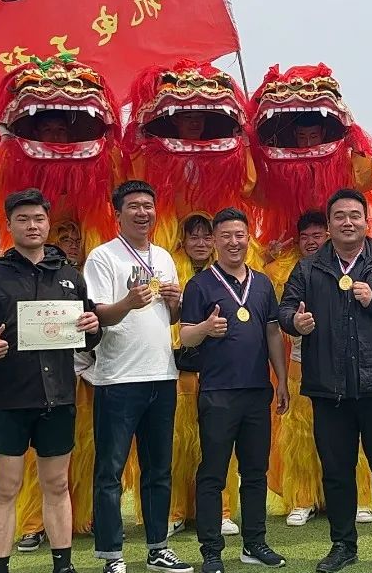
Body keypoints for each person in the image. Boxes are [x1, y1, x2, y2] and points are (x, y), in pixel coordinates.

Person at [0, 189, 101, 573]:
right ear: (9, 225)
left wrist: (93, 327)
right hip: (10, 400)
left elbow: (87, 335)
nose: (32, 225)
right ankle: (0, 567)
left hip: (59, 399)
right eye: (23, 219)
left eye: (38, 218)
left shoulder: (70, 278)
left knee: (57, 485)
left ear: (47, 223)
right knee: (6, 488)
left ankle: (63, 564)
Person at [278, 189, 372, 573]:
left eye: (354, 215)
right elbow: (286, 308)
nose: (347, 222)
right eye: (339, 216)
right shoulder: (309, 268)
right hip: (329, 390)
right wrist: (295, 322)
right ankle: (343, 545)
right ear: (329, 225)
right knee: (337, 473)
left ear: (366, 221)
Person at [84, 180, 192, 573]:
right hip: (118, 378)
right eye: (133, 206)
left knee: (158, 469)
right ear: (118, 214)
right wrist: (128, 303)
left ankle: (158, 547)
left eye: (148, 205)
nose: (142, 212)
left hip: (162, 375)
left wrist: (176, 303)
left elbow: (171, 318)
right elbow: (98, 316)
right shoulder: (102, 257)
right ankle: (111, 555)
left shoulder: (163, 257)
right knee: (110, 471)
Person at [180, 207, 291, 572]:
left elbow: (272, 332)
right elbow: (185, 335)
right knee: (213, 473)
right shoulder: (200, 285)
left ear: (248, 238)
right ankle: (211, 550)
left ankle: (254, 543)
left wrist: (281, 380)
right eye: (225, 235)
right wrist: (205, 329)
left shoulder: (262, 283)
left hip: (257, 391)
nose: (233, 242)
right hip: (217, 392)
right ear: (215, 240)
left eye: (239, 235)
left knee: (255, 472)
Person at [267, 210, 372, 528]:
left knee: (352, 437)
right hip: (301, 366)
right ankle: (303, 500)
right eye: (305, 237)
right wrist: (267, 256)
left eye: (317, 235)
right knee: (300, 438)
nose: (311, 242)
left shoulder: (351, 266)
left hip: (346, 367)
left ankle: (360, 498)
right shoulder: (288, 271)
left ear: (328, 235)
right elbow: (261, 291)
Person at [166, 213, 241, 539]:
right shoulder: (169, 271)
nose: (200, 243)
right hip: (179, 371)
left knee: (220, 446)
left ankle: (221, 512)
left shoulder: (226, 273)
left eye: (206, 237)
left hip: (219, 375)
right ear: (182, 241)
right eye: (193, 237)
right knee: (178, 445)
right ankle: (175, 512)